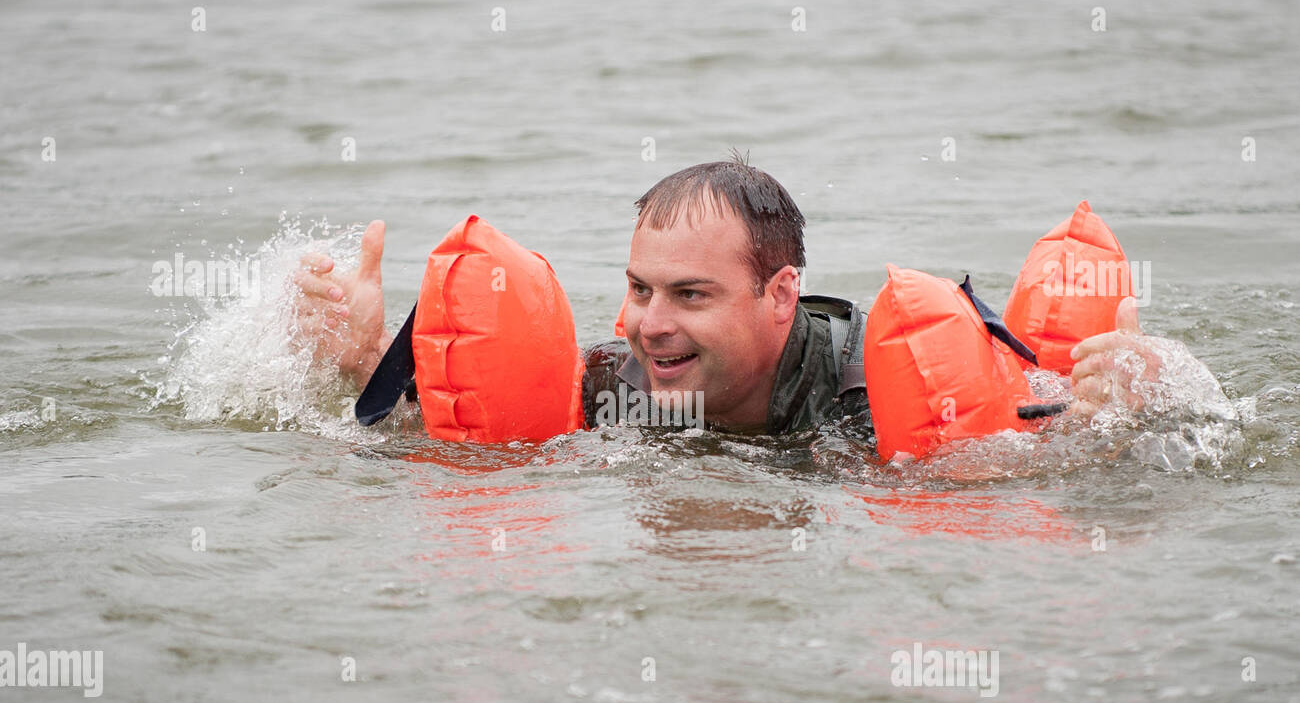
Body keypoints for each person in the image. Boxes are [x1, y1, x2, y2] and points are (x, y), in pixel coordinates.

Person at [289, 154, 1198, 438]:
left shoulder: (872, 401)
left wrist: (1126, 412)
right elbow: (454, 449)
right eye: (639, 289)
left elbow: (1048, 473)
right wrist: (362, 370)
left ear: (779, 293)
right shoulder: (613, 385)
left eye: (688, 294)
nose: (650, 324)